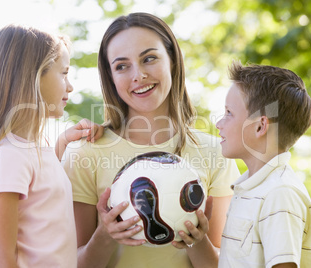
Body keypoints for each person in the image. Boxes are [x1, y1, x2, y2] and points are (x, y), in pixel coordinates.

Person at [63, 12, 240, 268]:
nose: (138, 75)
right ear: (111, 78)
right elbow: (70, 263)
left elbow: (226, 263)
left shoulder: (216, 153)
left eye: (149, 58)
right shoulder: (84, 154)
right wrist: (106, 235)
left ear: (172, 62)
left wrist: (197, 241)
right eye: (122, 66)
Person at [0, 24, 102, 267]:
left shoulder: (35, 149)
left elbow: (42, 190)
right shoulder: (8, 156)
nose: (70, 86)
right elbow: (1, 259)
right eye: (63, 73)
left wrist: (63, 142)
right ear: (32, 76)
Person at [216, 61, 311, 267]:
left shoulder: (280, 193)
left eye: (229, 113)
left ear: (260, 126)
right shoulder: (250, 189)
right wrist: (197, 242)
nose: (219, 124)